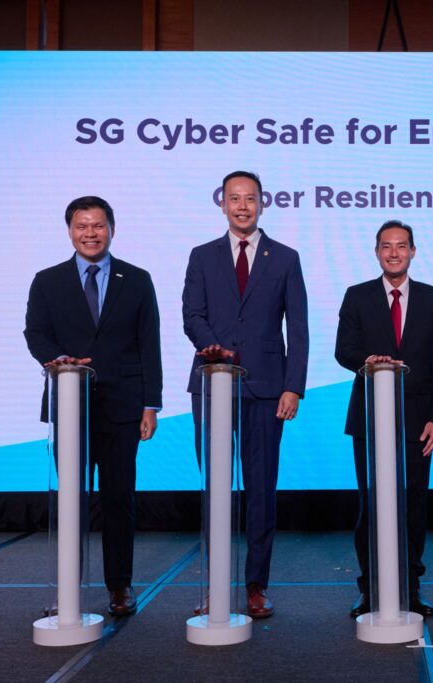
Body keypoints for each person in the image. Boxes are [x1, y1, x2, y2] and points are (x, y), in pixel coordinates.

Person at [24, 195, 162, 617]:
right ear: (70, 231)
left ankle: (120, 586)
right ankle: (68, 589)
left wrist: (151, 404)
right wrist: (58, 361)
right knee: (71, 501)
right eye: (82, 226)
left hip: (123, 407)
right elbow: (35, 333)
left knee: (119, 499)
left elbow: (149, 344)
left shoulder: (136, 279)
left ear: (112, 229)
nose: (90, 233)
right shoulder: (47, 280)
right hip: (71, 406)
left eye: (98, 225)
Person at [182, 170, 308, 618]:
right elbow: (192, 315)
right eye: (234, 198)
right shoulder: (202, 256)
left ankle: (256, 585)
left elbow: (298, 327)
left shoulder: (285, 258)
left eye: (249, 198)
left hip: (267, 388)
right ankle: (216, 583)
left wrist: (293, 386)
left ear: (262, 204)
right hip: (212, 383)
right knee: (216, 487)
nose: (242, 206)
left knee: (261, 489)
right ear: (222, 204)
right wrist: (211, 347)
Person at [335, 220, 433, 619]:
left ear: (413, 251)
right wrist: (365, 360)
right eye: (387, 246)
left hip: (419, 420)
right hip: (369, 416)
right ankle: (370, 589)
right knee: (371, 503)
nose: (394, 252)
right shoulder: (357, 295)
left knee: (414, 504)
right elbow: (343, 350)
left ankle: (410, 587)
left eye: (402, 246)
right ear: (377, 252)